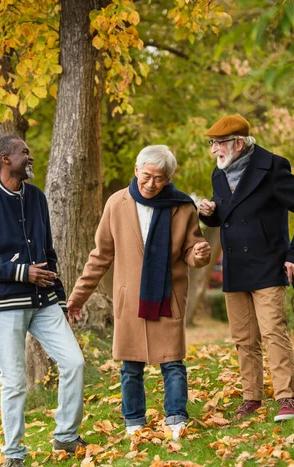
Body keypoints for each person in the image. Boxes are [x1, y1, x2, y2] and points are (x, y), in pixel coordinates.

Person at [0, 135, 86, 467]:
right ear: (4, 159)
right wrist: (19, 272)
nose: (30, 156)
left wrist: (59, 299)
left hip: (45, 302)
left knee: (74, 362)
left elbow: (49, 252)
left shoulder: (37, 198)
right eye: (24, 152)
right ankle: (14, 453)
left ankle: (66, 437)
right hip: (5, 305)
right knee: (14, 382)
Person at [67, 145, 211, 439]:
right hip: (130, 298)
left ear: (168, 179)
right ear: (136, 171)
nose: (150, 184)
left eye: (159, 179)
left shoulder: (182, 206)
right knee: (130, 364)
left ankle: (176, 417)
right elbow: (100, 256)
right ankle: (134, 421)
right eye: (146, 176)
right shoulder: (116, 204)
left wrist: (200, 253)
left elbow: (191, 253)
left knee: (172, 361)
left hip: (167, 296)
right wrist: (76, 298)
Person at [199, 115, 294, 422]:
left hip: (268, 262)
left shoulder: (274, 167)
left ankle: (287, 397)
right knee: (244, 338)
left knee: (272, 331)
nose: (214, 150)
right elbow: (227, 214)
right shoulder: (219, 174)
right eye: (212, 144)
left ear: (238, 143)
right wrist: (209, 213)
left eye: (219, 143)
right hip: (235, 266)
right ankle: (252, 397)